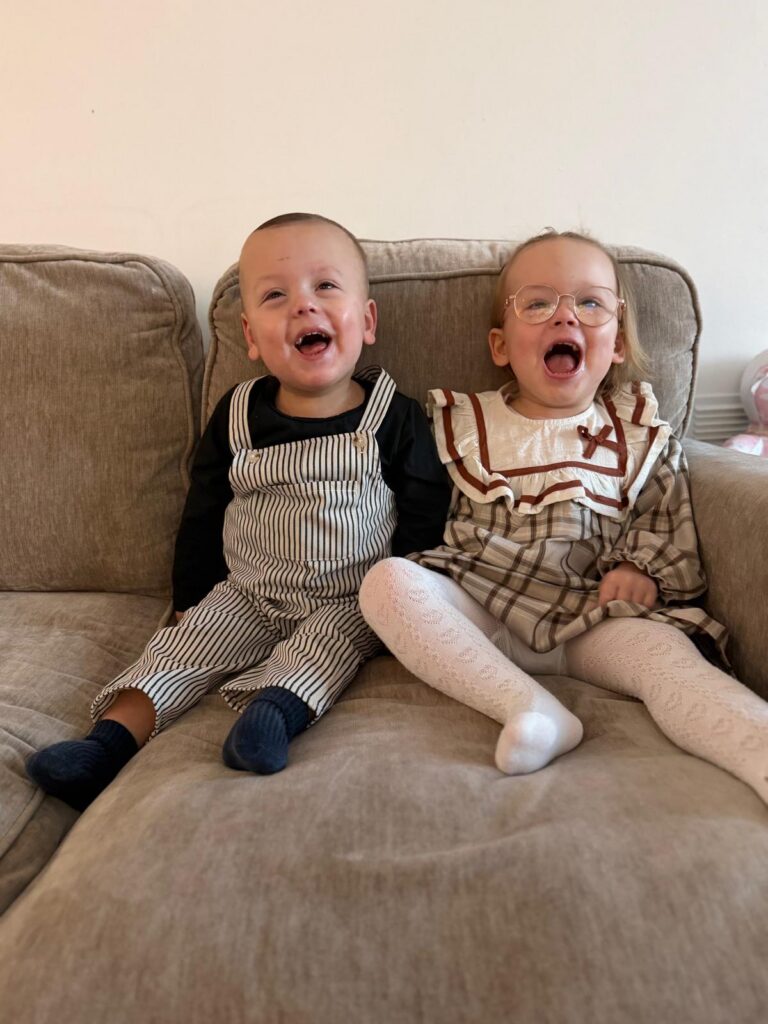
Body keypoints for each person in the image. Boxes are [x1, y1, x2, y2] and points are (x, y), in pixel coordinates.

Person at [27, 212, 451, 810]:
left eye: (326, 287)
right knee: (180, 649)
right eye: (277, 295)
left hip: (350, 599)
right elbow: (205, 507)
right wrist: (190, 596)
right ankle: (107, 742)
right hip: (245, 592)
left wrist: (408, 593)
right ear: (251, 335)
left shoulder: (395, 415)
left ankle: (269, 718)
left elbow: (426, 511)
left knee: (324, 650)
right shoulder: (238, 412)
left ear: (368, 320)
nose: (304, 306)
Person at [359, 230, 768, 804]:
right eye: (538, 303)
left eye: (591, 303)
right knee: (387, 583)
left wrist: (641, 568)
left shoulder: (639, 433)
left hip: (595, 618)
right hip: (481, 609)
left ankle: (756, 747)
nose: (565, 318)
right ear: (501, 345)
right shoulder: (461, 423)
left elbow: (664, 510)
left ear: (618, 343)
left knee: (669, 661)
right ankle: (528, 708)